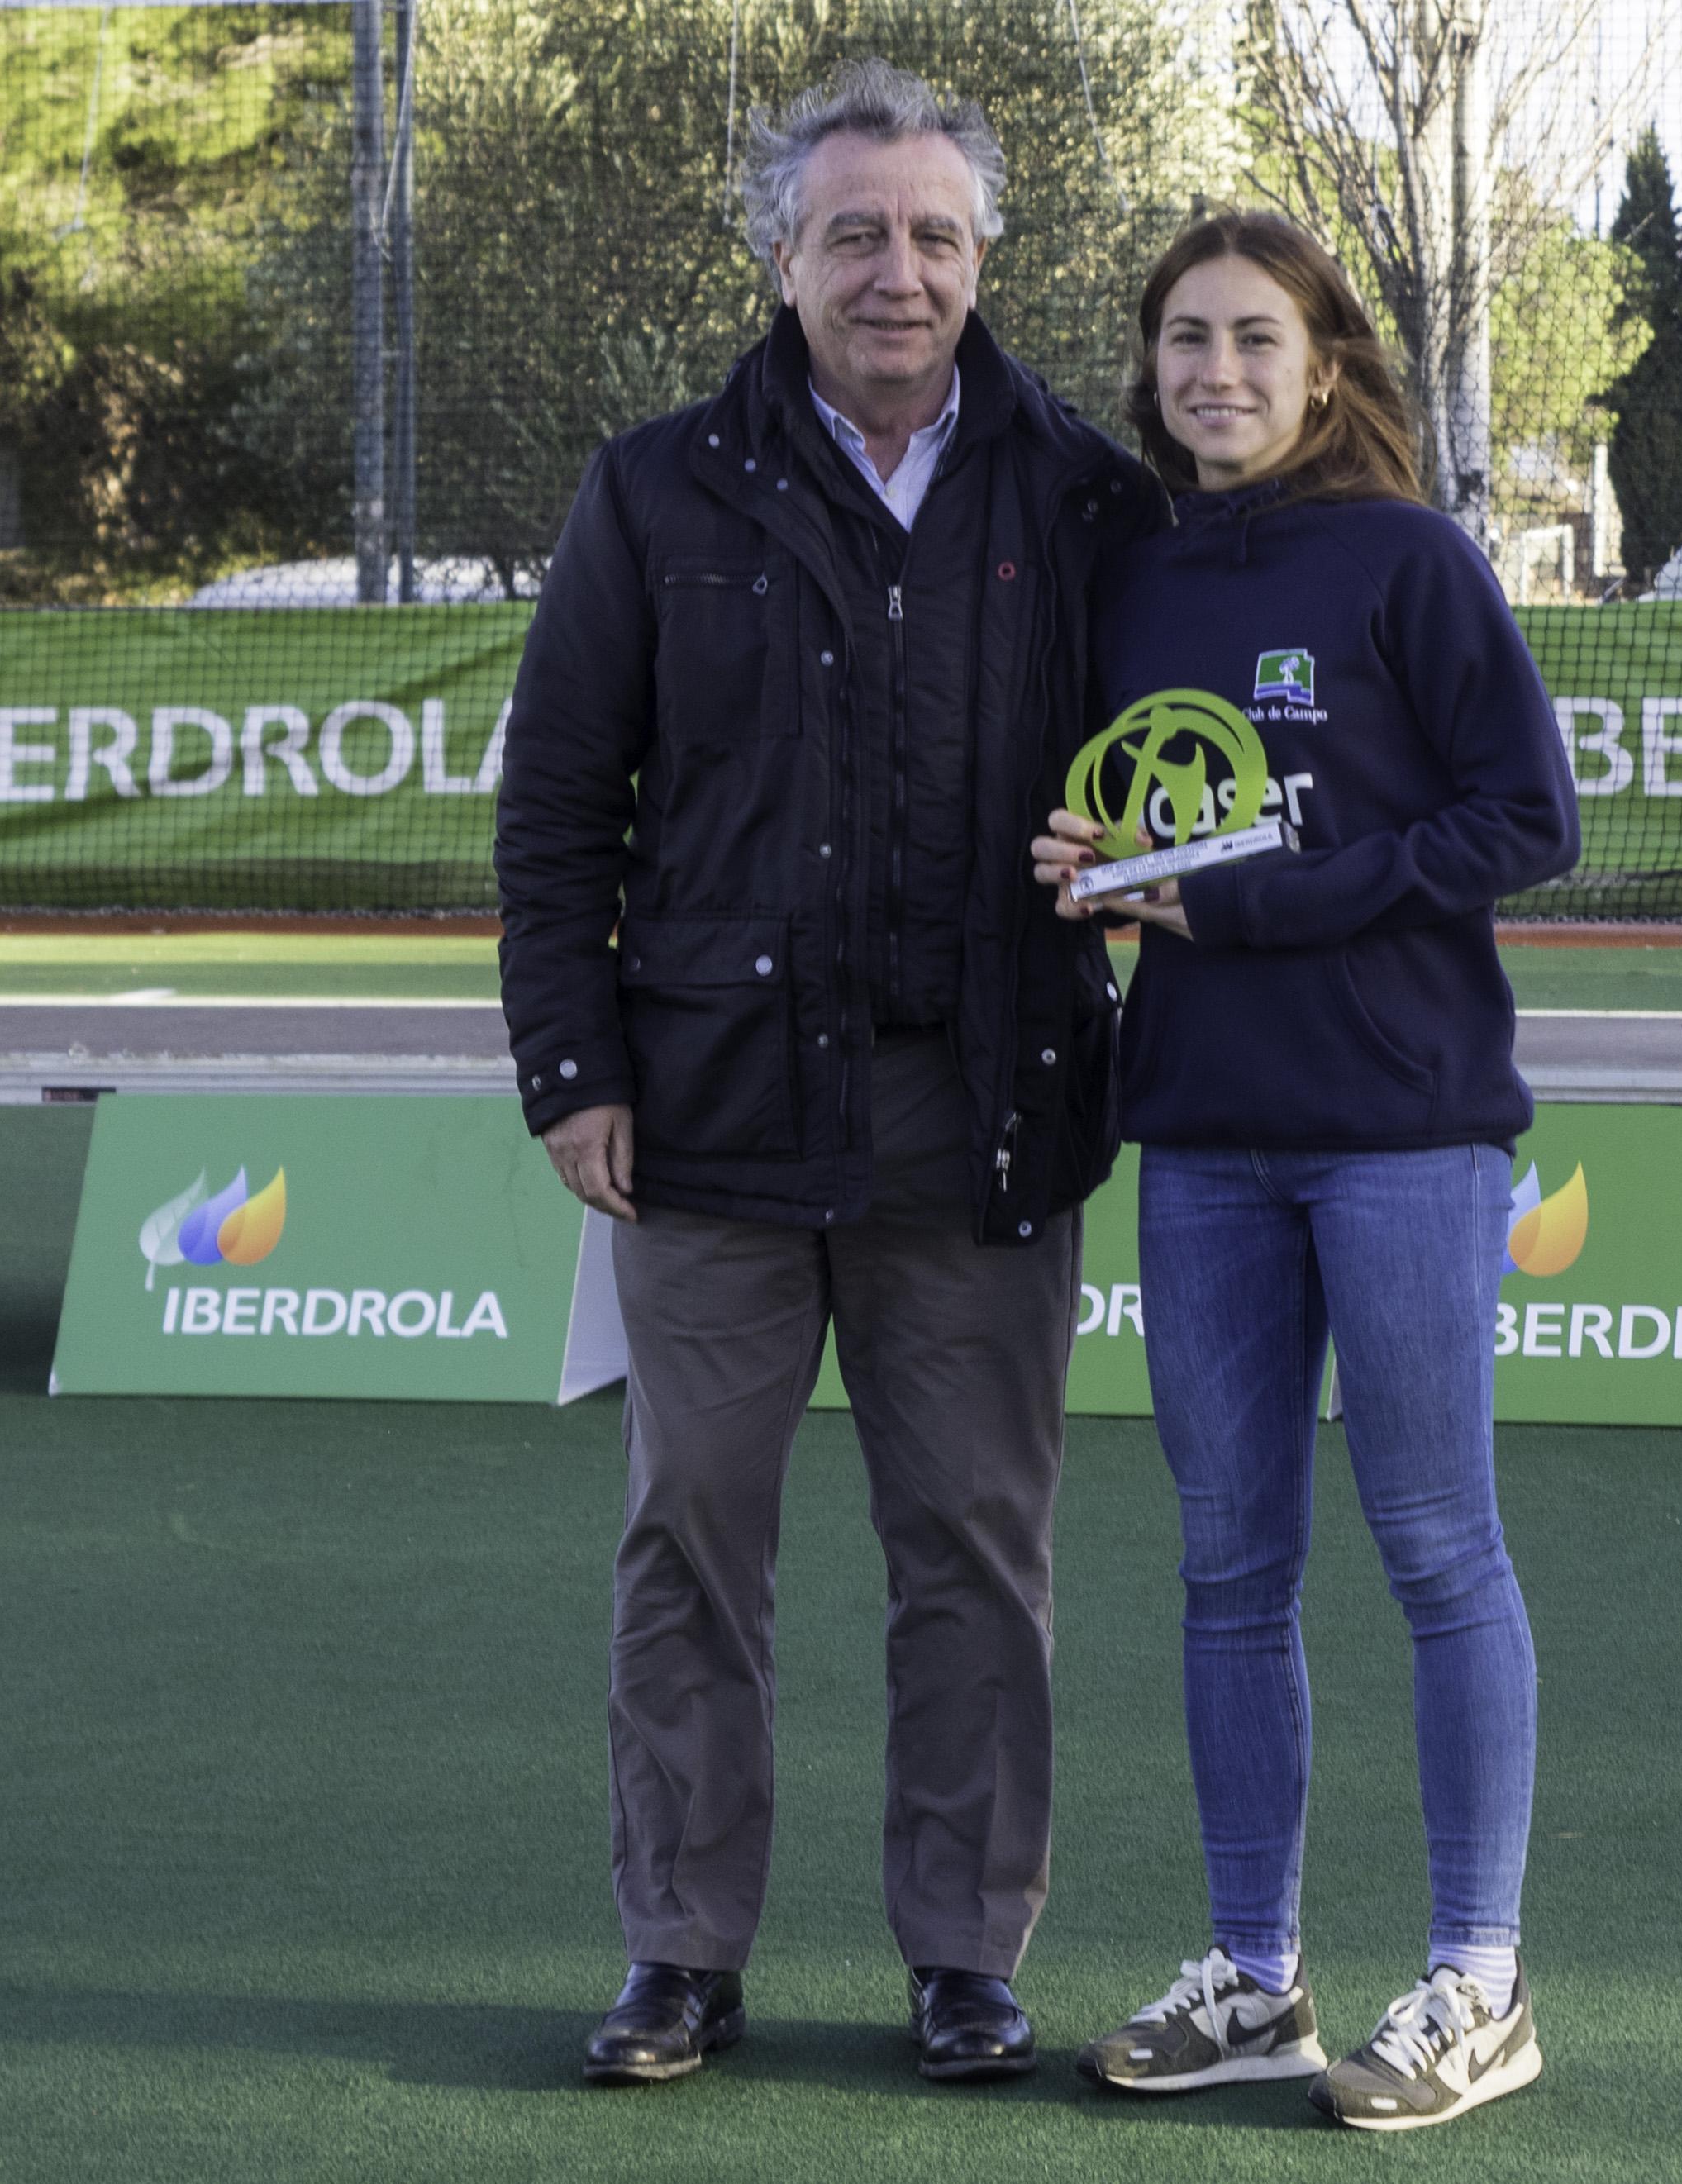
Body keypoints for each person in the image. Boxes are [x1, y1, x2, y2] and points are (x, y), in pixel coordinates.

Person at [495, 59, 1164, 2088]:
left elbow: (1176, 770)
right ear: (782, 257)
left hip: (981, 1116)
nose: (898, 272)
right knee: (690, 1537)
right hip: (705, 1116)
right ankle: (680, 1951)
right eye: (854, 234)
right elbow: (555, 812)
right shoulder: (653, 488)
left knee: (972, 1545)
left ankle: (965, 1953)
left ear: (984, 260)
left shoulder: (1079, 491)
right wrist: (569, 1066)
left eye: (935, 236)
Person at [1032, 212, 1579, 2130]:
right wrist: (1081, 863)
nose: (1216, 374)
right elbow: (1124, 808)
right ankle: (1255, 1976)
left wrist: (1264, 901)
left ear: (1326, 365)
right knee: (1224, 1565)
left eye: (1255, 341)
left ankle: (1475, 1978)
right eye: (1183, 340)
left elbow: (1528, 818)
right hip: (1193, 1136)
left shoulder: (1410, 559)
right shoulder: (1125, 573)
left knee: (1436, 1548)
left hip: (1403, 1133)